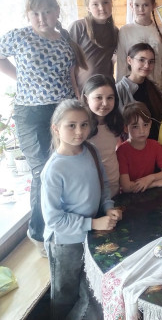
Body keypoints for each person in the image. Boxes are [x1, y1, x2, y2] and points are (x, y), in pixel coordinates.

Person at [0, 0, 86, 253]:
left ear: (57, 12)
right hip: (31, 114)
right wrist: (20, 78)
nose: (42, 18)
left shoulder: (65, 40)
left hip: (63, 112)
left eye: (47, 11)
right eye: (35, 13)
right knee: (42, 172)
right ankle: (39, 233)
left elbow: (71, 77)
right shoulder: (19, 36)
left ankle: (66, 225)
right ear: (28, 15)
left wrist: (78, 103)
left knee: (65, 167)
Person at [41, 99, 121, 319]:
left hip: (90, 235)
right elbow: (54, 220)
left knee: (88, 290)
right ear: (56, 129)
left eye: (84, 124)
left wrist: (108, 207)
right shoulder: (54, 169)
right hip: (65, 243)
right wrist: (93, 223)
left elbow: (103, 184)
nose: (79, 131)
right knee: (64, 295)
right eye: (71, 125)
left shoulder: (91, 150)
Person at [116, 0, 162, 103]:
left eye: (145, 5)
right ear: (131, 5)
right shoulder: (125, 31)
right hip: (131, 91)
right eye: (137, 5)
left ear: (153, 5)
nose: (141, 9)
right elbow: (122, 63)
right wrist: (121, 92)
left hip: (155, 88)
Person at [117, 102, 162, 193]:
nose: (142, 131)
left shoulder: (155, 145)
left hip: (149, 193)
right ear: (125, 128)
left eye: (145, 125)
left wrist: (150, 178)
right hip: (130, 196)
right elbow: (126, 187)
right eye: (135, 127)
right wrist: (155, 183)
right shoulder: (121, 151)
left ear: (150, 124)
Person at [69, 0, 119, 93]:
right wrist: (74, 89)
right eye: (95, 4)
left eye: (105, 2)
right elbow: (69, 62)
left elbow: (113, 58)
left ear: (111, 3)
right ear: (88, 7)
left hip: (106, 88)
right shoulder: (79, 27)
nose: (102, 8)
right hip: (83, 89)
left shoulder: (115, 31)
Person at [81, 74, 124, 197]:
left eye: (110, 98)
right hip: (90, 188)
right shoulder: (80, 127)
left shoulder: (115, 122)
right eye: (98, 97)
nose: (105, 103)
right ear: (86, 99)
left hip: (113, 183)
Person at [116, 43, 162, 140]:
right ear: (129, 60)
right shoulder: (119, 90)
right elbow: (118, 126)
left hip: (155, 143)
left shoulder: (153, 88)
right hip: (132, 144)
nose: (147, 65)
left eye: (151, 62)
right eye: (141, 60)